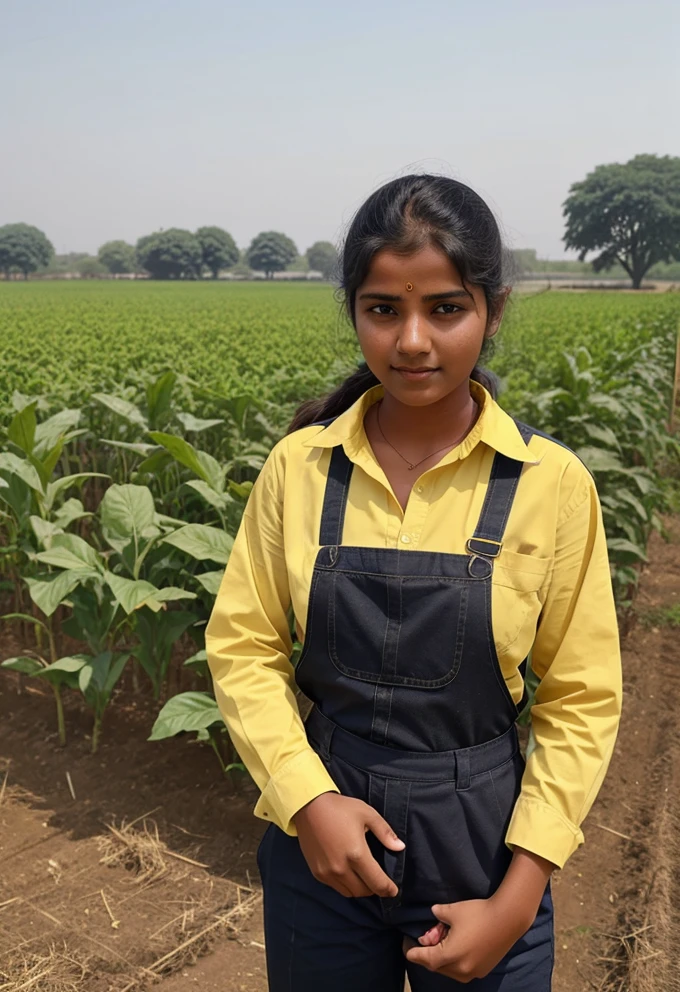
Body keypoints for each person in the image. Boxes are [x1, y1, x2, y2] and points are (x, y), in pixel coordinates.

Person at [205, 174, 622, 990]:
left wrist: (519, 894)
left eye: (445, 308)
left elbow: (583, 697)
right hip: (323, 833)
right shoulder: (301, 468)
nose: (412, 342)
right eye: (383, 309)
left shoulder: (551, 484)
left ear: (492, 310)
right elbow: (243, 646)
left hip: (485, 848)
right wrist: (308, 801)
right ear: (354, 311)